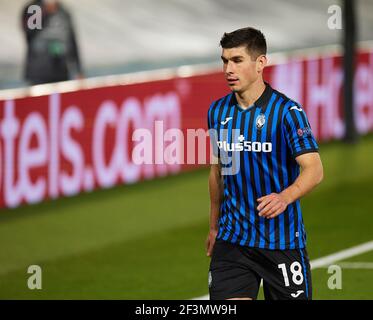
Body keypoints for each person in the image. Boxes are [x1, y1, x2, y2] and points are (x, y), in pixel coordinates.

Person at [206, 27, 324, 300]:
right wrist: (214, 227)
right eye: (224, 60)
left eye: (237, 60)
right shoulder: (217, 111)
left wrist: (285, 197)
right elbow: (218, 173)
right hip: (232, 242)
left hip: (280, 242)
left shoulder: (287, 112)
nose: (228, 69)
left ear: (260, 63)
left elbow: (314, 169)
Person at [21, 0, 83, 85]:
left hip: (61, 71)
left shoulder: (63, 11)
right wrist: (45, 13)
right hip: (38, 73)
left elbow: (72, 41)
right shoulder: (34, 8)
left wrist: (78, 70)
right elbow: (29, 33)